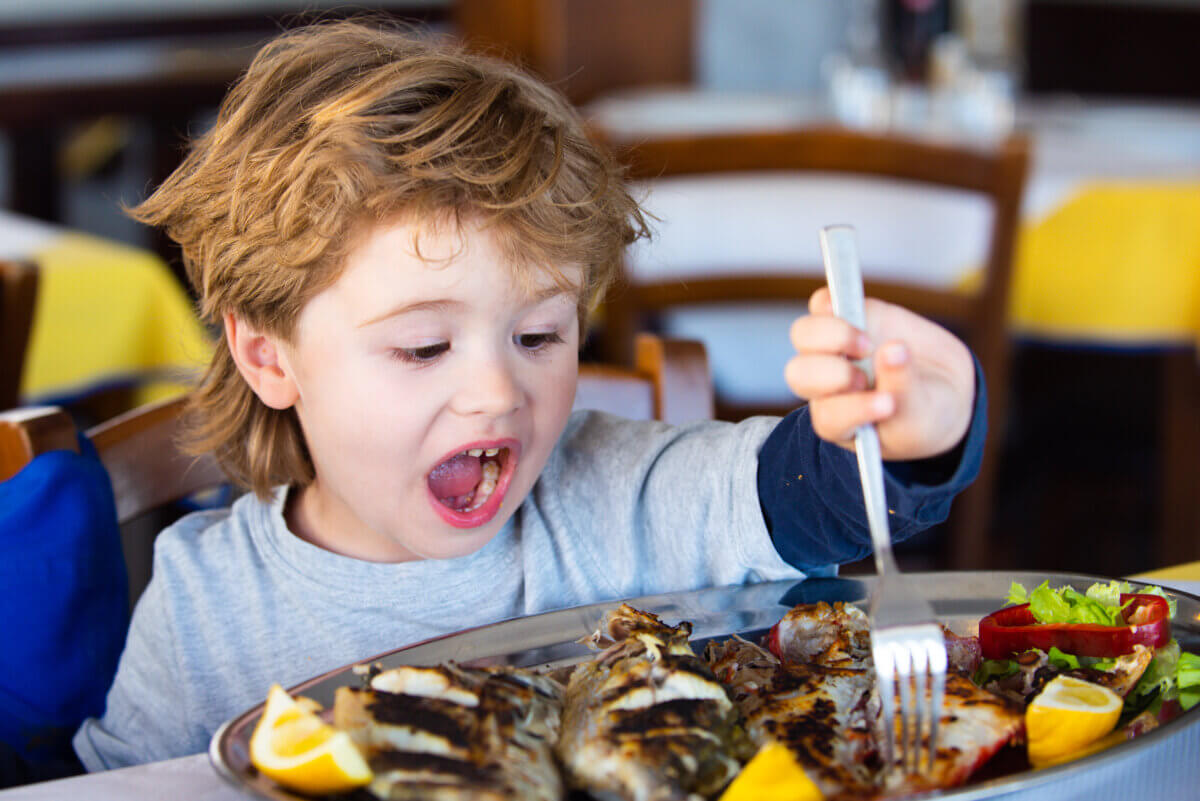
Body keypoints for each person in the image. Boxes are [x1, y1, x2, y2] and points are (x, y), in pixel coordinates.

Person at [73, 18, 984, 771]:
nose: (496, 391)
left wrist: (911, 426)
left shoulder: (618, 498)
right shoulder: (204, 601)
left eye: (540, 335)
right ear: (270, 357)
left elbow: (799, 493)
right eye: (424, 345)